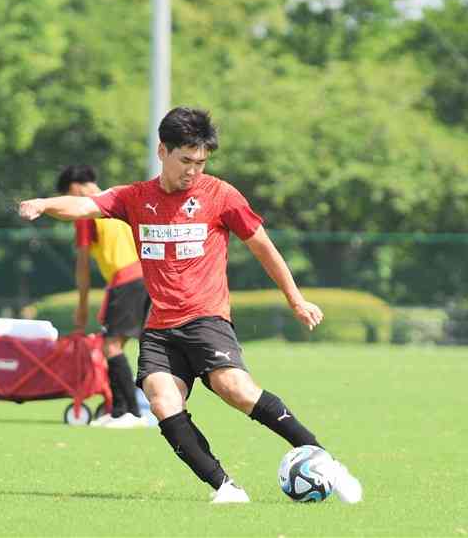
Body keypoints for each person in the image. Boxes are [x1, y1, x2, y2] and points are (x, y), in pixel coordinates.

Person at [19, 107, 362, 504]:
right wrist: (43, 203)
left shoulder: (221, 196)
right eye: (186, 161)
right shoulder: (135, 198)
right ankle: (226, 488)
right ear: (162, 151)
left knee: (233, 388)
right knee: (163, 402)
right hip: (160, 328)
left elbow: (264, 248)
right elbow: (85, 206)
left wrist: (296, 299)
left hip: (206, 319)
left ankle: (329, 465)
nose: (193, 171)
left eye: (201, 162)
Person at [57, 165, 150, 429]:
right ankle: (119, 409)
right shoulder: (119, 200)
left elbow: (83, 266)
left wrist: (83, 306)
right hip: (146, 278)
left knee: (111, 347)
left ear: (75, 189)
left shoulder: (87, 210)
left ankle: (131, 413)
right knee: (121, 346)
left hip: (126, 280)